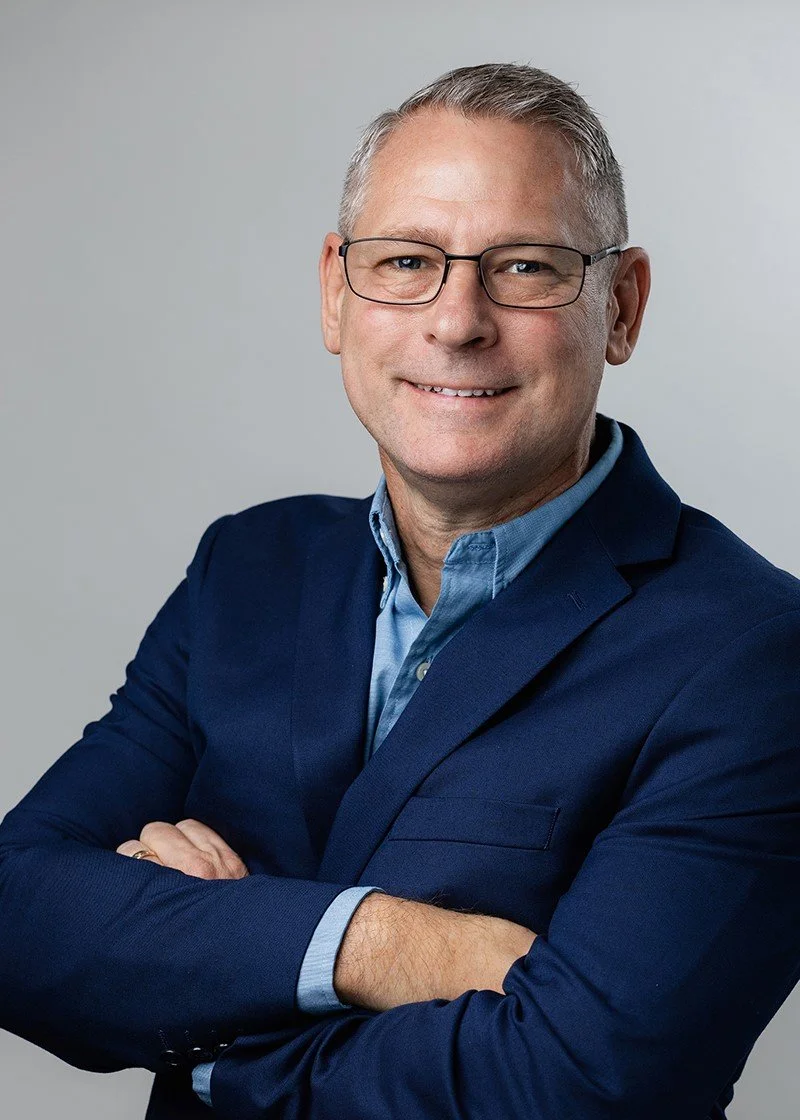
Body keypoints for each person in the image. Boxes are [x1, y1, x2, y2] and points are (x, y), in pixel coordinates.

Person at [2, 62, 800, 1120]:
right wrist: (385, 942)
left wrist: (201, 1009)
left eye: (522, 265)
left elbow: (584, 1085)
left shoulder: (753, 654)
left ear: (621, 306)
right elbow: (17, 916)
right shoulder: (244, 572)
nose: (456, 319)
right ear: (337, 293)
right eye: (405, 261)